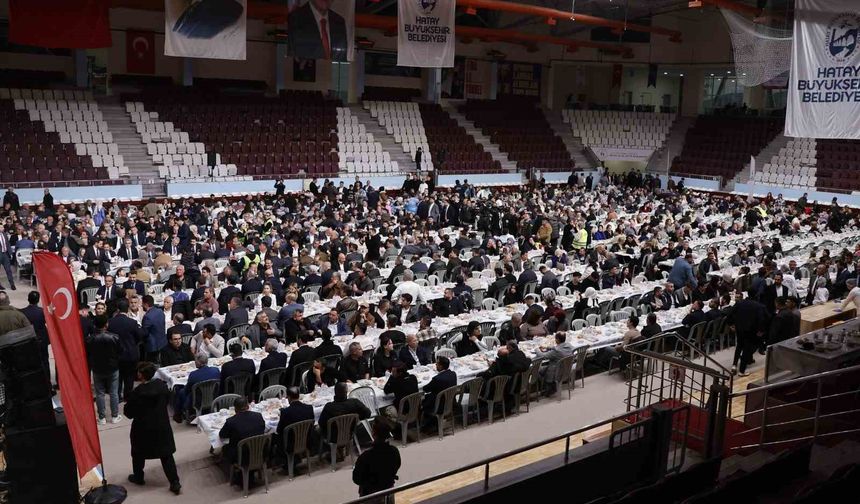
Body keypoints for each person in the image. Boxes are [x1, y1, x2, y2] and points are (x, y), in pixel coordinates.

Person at [125, 362, 181, 495]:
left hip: (142, 428)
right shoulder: (162, 386)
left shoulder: (137, 393)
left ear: (141, 375)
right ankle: (174, 482)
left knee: (138, 453)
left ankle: (138, 477)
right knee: (166, 455)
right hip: (161, 425)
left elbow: (128, 413)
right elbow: (168, 400)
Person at [86, 315, 122, 424]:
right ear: (106, 324)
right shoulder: (115, 337)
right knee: (114, 392)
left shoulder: (90, 339)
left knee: (99, 393)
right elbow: (120, 351)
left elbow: (88, 354)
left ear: (94, 325)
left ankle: (102, 418)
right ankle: (115, 416)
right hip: (112, 368)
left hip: (97, 368)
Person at [352, 422, 401, 500]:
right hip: (389, 489)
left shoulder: (365, 456)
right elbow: (397, 466)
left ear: (373, 434)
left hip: (370, 494)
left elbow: (356, 479)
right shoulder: (394, 451)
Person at [218, 397, 266, 472]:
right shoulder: (258, 416)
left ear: (235, 409)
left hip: (241, 456)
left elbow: (222, 435)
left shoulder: (231, 421)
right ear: (248, 406)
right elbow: (263, 428)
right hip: (260, 452)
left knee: (225, 448)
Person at [727, 293, 768, 376]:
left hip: (740, 328)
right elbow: (761, 319)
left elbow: (729, 314)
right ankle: (741, 371)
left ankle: (734, 365)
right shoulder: (758, 306)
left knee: (739, 346)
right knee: (747, 349)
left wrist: (731, 324)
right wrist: (761, 330)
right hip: (751, 330)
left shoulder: (740, 303)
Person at [175, 353, 220, 421]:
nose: (195, 362)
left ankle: (179, 414)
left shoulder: (193, 375)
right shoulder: (216, 370)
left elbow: (187, 390)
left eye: (195, 361)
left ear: (199, 362)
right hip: (214, 396)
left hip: (198, 401)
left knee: (181, 391)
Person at [275, 387, 315, 458]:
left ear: (289, 397)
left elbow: (279, 430)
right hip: (307, 440)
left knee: (275, 437)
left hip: (291, 444)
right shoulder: (309, 408)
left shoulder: (285, 412)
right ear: (298, 396)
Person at [380, 362, 418, 428]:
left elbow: (386, 390)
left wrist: (391, 377)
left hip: (402, 411)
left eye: (393, 372)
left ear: (400, 373)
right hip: (415, 409)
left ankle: (396, 428)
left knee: (384, 409)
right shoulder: (413, 378)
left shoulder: (396, 382)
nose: (392, 373)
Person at [421, 356, 457, 421]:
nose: (435, 365)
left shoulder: (437, 379)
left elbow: (426, 389)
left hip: (440, 406)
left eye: (437, 364)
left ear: (440, 366)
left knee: (422, 399)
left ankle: (425, 421)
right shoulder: (453, 374)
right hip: (451, 402)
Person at [21, 291, 49, 372]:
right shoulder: (43, 311)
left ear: (28, 299)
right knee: (44, 359)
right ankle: (47, 377)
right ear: (38, 300)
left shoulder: (23, 312)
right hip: (42, 339)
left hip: (29, 339)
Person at [141, 295, 167, 363]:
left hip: (153, 346)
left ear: (146, 304)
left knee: (151, 365)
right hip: (163, 342)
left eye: (142, 304)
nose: (141, 305)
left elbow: (144, 333)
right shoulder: (160, 311)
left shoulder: (147, 317)